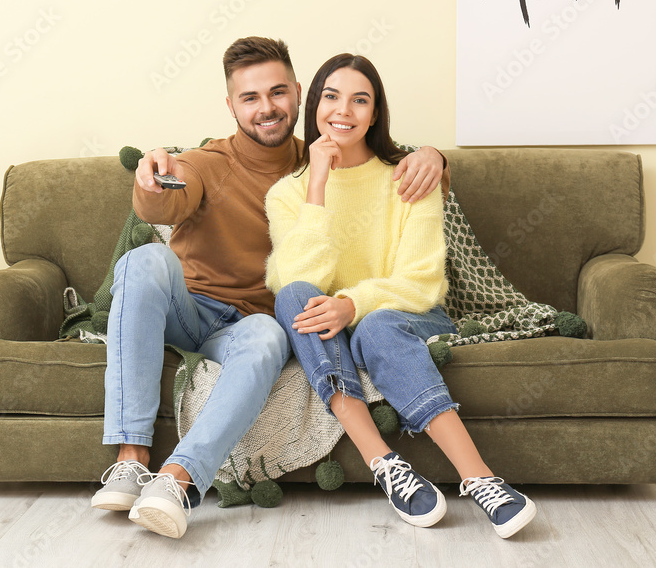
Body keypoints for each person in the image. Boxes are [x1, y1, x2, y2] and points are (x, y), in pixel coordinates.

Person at [91, 37, 450, 539]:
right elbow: (164, 203)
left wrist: (434, 157)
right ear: (231, 105)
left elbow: (385, 169)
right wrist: (151, 182)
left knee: (267, 336)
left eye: (278, 93)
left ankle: (178, 480)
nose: (267, 108)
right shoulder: (207, 161)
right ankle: (131, 458)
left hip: (254, 324)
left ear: (299, 93)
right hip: (189, 309)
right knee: (143, 259)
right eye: (250, 97)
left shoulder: (326, 154)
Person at [265, 53, 536, 539]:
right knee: (292, 296)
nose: (343, 110)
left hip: (410, 315)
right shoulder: (287, 193)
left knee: (376, 324)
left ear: (374, 114)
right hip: (327, 324)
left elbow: (422, 280)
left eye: (359, 100)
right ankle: (386, 464)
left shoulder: (410, 176)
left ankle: (481, 479)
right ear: (314, 105)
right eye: (332, 97)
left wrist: (352, 304)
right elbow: (299, 278)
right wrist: (318, 182)